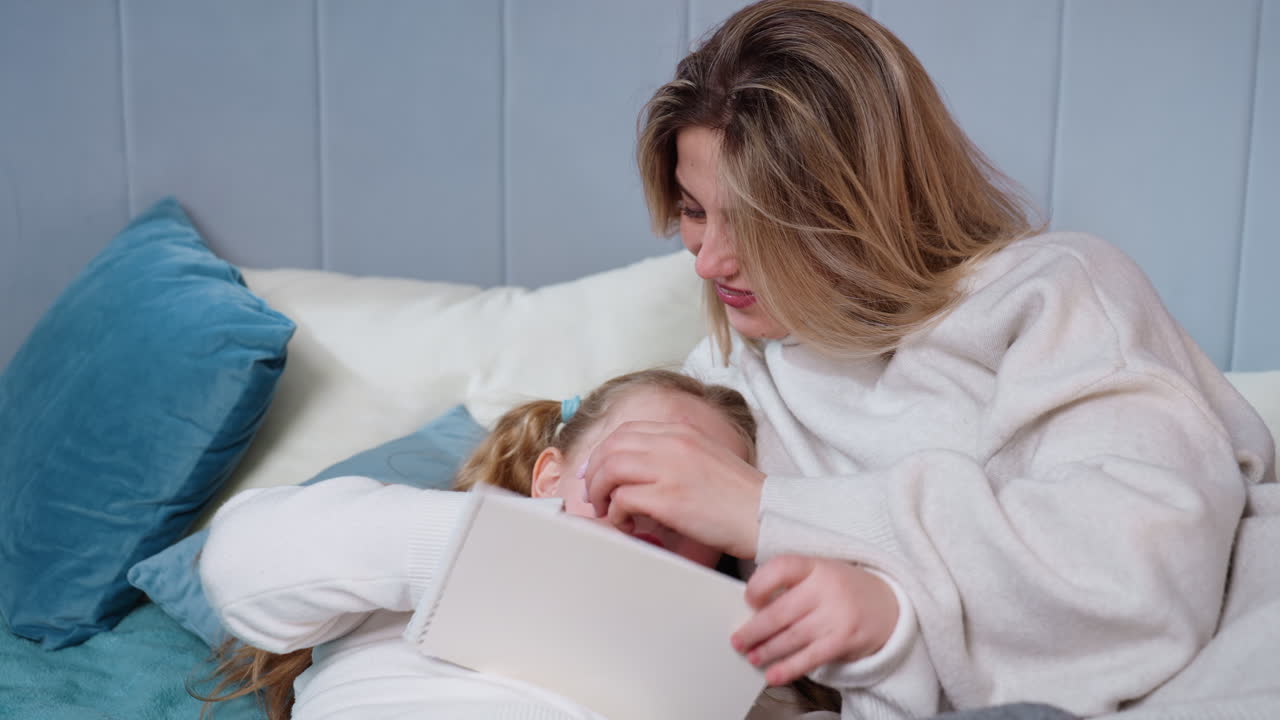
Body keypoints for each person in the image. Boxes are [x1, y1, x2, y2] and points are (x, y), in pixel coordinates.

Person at [574, 1, 1277, 718]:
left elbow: (1141, 577)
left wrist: (765, 509)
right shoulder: (725, 386)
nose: (709, 261)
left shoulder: (1053, 291)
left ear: (865, 211)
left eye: (758, 226)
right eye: (694, 211)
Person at [198, 369, 878, 720]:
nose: (660, 503)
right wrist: (499, 547)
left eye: (698, 494)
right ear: (549, 476)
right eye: (636, 463)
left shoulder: (722, 671)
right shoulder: (402, 572)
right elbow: (242, 561)